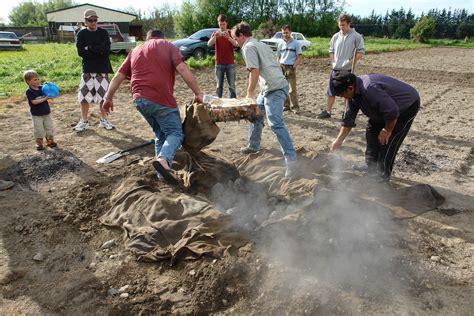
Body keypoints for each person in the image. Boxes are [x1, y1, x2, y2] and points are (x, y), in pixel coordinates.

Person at [101, 29, 204, 182]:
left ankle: (161, 174)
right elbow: (182, 68)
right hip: (160, 98)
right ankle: (163, 160)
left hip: (139, 100)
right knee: (175, 133)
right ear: (161, 37)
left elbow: (118, 76)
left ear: (148, 38)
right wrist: (197, 92)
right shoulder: (167, 46)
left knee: (160, 134)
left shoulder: (135, 50)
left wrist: (107, 98)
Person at [231, 22, 298, 178]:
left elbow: (254, 71)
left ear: (242, 36)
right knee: (256, 115)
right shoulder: (259, 43)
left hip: (274, 88)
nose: (236, 42)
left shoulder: (248, 47)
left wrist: (248, 94)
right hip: (269, 87)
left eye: (236, 39)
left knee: (275, 123)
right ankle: (253, 146)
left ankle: (292, 161)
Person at [330, 71, 420, 182]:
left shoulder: (370, 89)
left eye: (341, 94)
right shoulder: (351, 95)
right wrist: (339, 140)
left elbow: (392, 111)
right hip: (382, 108)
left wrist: (387, 130)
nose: (342, 97)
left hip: (405, 106)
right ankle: (370, 167)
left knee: (388, 141)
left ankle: (382, 176)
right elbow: (349, 119)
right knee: (371, 132)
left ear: (350, 88)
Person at [317, 14, 365, 119]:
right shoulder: (335, 36)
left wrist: (351, 61)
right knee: (331, 91)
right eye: (339, 25)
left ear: (349, 24)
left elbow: (361, 51)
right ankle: (328, 111)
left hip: (348, 69)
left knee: (346, 93)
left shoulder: (356, 36)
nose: (341, 27)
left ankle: (346, 113)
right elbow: (331, 50)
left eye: (343, 25)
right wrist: (333, 61)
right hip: (336, 68)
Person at [74, 9, 114, 131]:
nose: (93, 22)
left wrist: (89, 48)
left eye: (95, 20)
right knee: (84, 96)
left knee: (103, 96)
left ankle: (104, 120)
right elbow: (81, 52)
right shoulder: (81, 34)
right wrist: (98, 50)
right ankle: (84, 121)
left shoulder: (103, 33)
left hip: (102, 69)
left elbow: (106, 50)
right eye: (90, 20)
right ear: (85, 21)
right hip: (87, 69)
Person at [24, 70, 57, 150]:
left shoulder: (42, 88)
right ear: (28, 81)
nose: (38, 81)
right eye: (35, 80)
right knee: (39, 130)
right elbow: (34, 102)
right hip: (36, 115)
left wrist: (49, 85)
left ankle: (50, 141)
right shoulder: (29, 91)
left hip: (46, 112)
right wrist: (45, 98)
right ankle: (39, 144)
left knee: (49, 127)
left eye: (38, 79)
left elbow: (51, 93)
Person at [207, 14, 238, 98]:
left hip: (230, 63)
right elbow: (209, 44)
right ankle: (218, 103)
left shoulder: (231, 33)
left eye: (223, 24)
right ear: (218, 24)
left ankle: (233, 103)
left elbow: (236, 44)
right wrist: (215, 38)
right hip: (219, 63)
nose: (222, 26)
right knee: (218, 86)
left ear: (226, 23)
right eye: (220, 24)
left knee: (232, 86)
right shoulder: (215, 33)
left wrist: (229, 37)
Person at [276, 25, 302, 114]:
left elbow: (299, 57)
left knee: (292, 89)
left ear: (290, 32)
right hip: (282, 66)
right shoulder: (280, 43)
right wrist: (278, 65)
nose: (285, 34)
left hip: (291, 67)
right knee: (283, 88)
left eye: (286, 32)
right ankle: (286, 106)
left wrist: (294, 66)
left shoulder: (296, 43)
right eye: (283, 32)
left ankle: (295, 107)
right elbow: (278, 56)